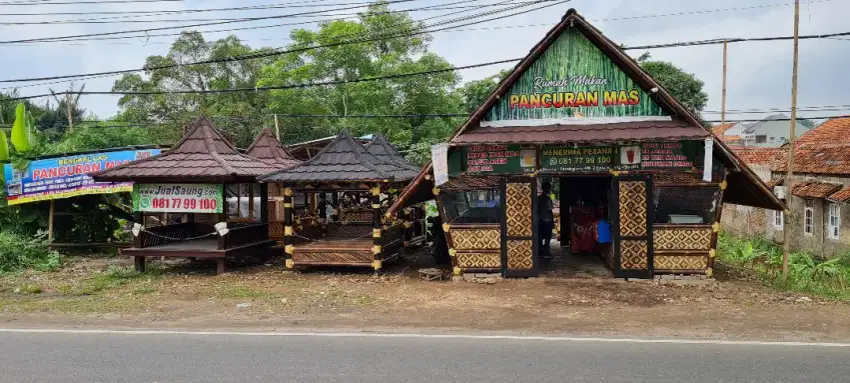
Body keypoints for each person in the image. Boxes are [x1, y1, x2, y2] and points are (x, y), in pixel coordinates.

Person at [537, 182, 555, 258]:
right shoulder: (548, 199)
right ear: (547, 189)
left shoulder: (537, 199)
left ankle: (539, 251)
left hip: (539, 220)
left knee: (540, 237)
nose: (550, 190)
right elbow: (550, 210)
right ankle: (546, 252)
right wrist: (552, 221)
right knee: (547, 237)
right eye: (549, 188)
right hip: (547, 220)